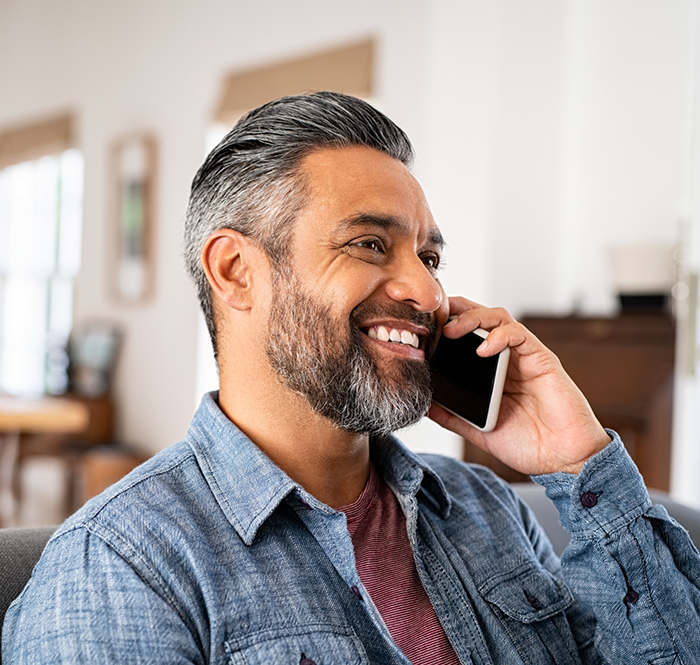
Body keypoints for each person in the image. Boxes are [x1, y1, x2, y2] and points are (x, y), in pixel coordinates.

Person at [3, 92, 699, 665]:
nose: (427, 293)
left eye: (429, 256)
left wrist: (580, 465)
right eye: (370, 243)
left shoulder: (490, 510)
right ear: (236, 272)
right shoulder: (121, 568)